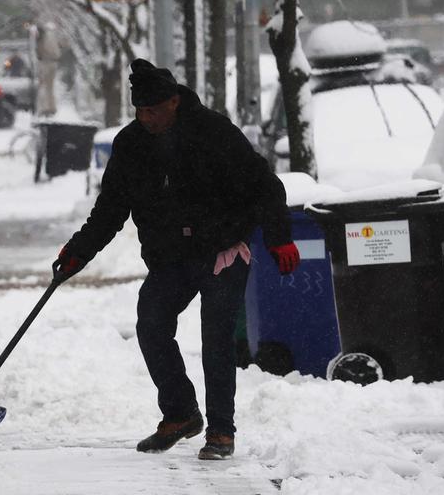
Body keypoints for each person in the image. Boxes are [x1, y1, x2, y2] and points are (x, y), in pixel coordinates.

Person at [53, 59, 300, 461]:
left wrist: (279, 239)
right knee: (151, 323)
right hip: (171, 256)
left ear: (174, 102)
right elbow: (110, 209)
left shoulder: (214, 132)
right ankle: (181, 413)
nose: (147, 118)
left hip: (222, 250)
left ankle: (221, 431)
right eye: (140, 111)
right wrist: (78, 251)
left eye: (154, 110)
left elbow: (265, 186)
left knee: (216, 335)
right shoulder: (131, 145)